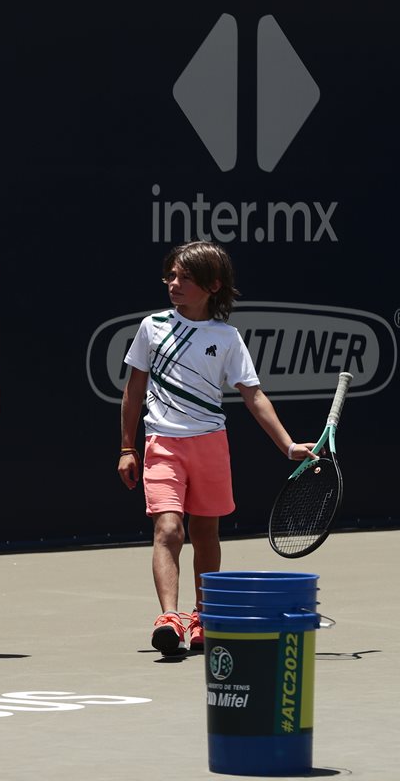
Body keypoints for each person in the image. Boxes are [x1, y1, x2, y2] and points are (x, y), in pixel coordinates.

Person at [117, 241, 314, 656]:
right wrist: (126, 447)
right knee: (169, 529)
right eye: (171, 276)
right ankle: (169, 619)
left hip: (210, 445)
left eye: (185, 278)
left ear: (213, 285)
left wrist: (288, 445)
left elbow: (254, 396)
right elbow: (133, 390)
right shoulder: (152, 327)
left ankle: (203, 617)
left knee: (206, 533)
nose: (173, 283)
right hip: (162, 443)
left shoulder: (227, 338)